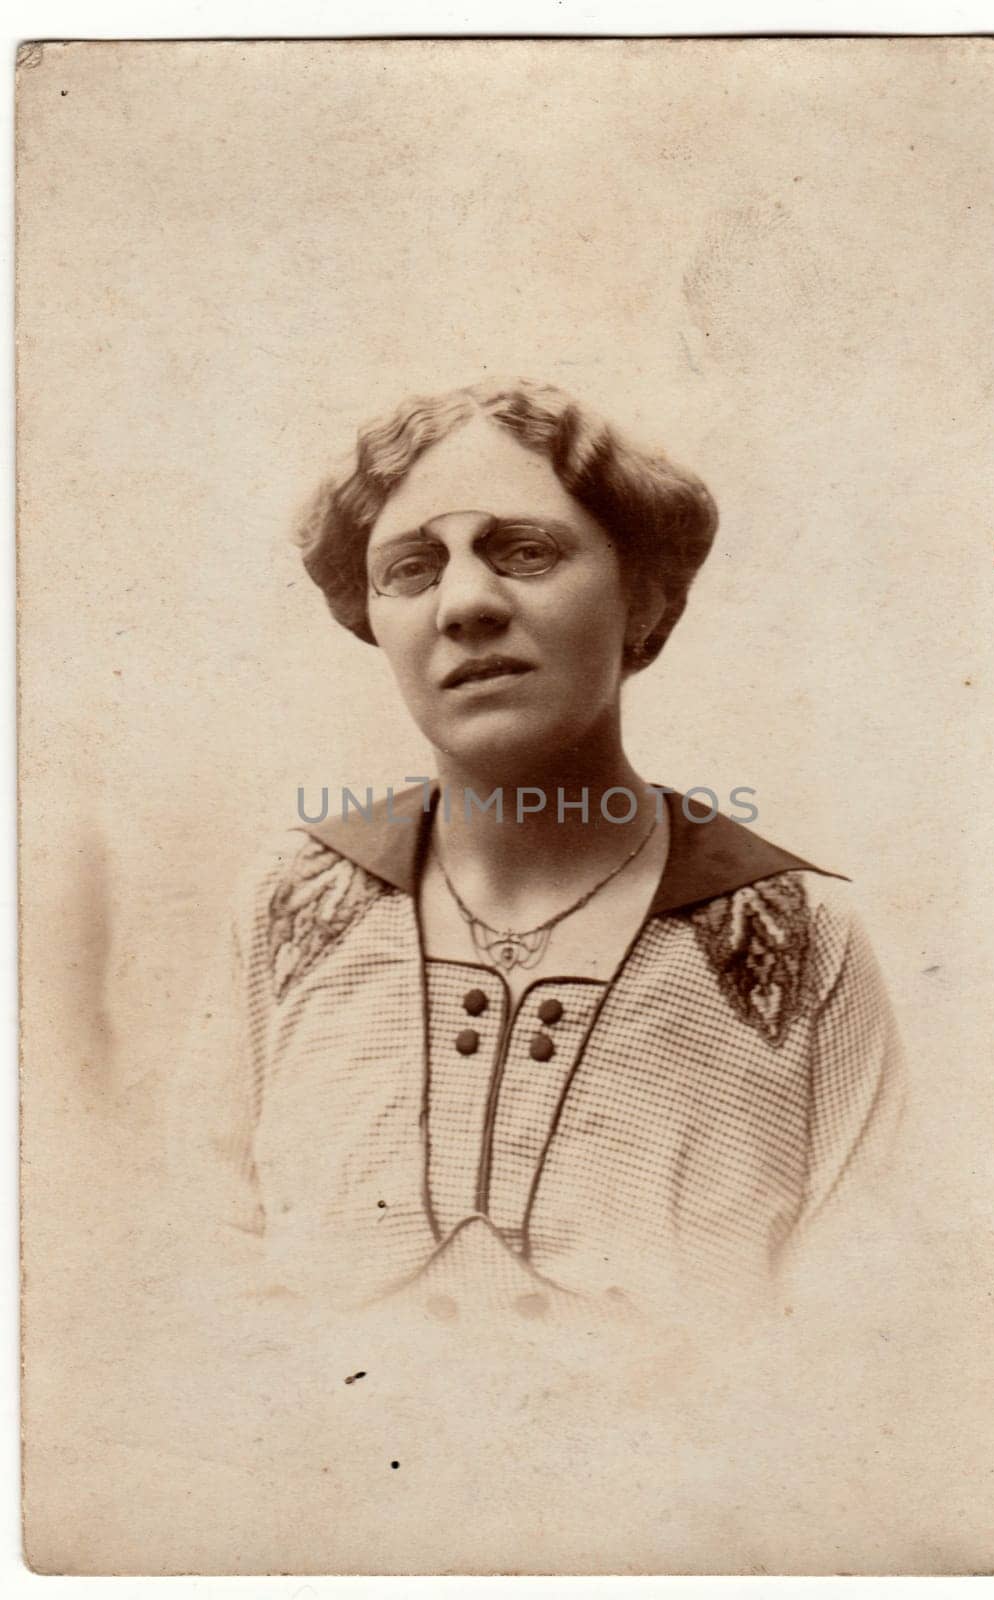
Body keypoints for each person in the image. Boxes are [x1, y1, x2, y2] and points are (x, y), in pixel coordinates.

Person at [172, 379, 904, 1329]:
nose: (465, 603)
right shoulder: (295, 902)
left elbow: (863, 1330)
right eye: (410, 568)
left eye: (525, 552)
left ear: (643, 601)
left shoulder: (796, 935)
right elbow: (196, 1269)